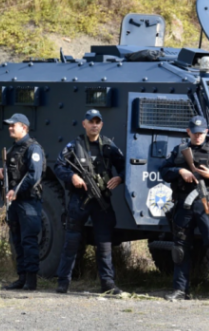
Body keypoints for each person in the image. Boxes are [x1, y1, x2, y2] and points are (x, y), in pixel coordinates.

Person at [159, 115, 209, 301]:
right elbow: (163, 171)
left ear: (206, 132)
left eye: (201, 132)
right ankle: (180, 290)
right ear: (188, 131)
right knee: (180, 250)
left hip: (206, 205)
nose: (198, 136)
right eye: (194, 132)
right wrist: (180, 171)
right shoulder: (179, 151)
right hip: (183, 205)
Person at [54, 109, 125, 295]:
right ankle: (63, 282)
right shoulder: (73, 146)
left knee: (104, 244)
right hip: (79, 200)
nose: (94, 124)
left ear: (101, 124)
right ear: (84, 124)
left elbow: (126, 167)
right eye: (90, 121)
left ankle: (108, 284)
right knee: (71, 242)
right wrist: (72, 177)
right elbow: (59, 166)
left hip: (101, 201)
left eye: (97, 121)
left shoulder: (109, 146)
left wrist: (120, 179)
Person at [0, 113, 46, 291]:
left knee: (28, 241)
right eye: (9, 125)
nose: (10, 128)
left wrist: (16, 191)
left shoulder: (33, 149)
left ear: (23, 127)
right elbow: (14, 173)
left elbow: (34, 175)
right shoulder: (13, 149)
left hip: (29, 202)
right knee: (17, 240)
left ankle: (31, 281)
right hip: (15, 203)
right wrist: (1, 173)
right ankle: (22, 277)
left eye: (13, 125)